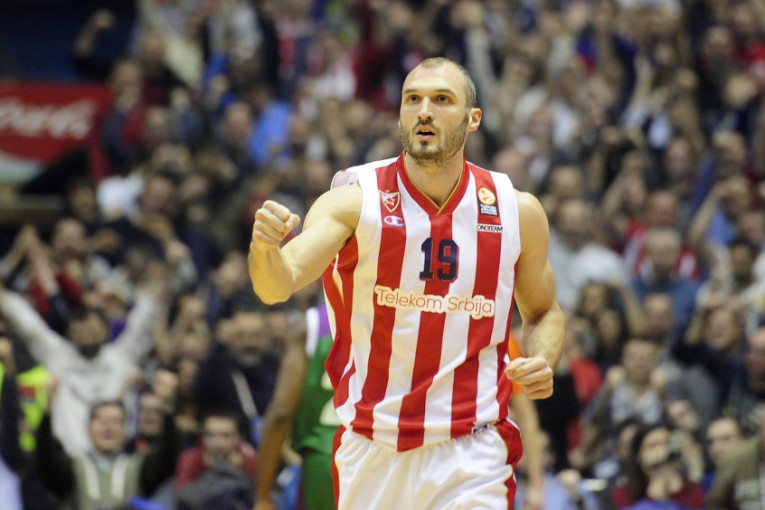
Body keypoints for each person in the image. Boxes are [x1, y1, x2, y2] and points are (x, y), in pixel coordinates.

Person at [248, 57, 566, 509]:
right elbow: (276, 285)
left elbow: (544, 311)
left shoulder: (516, 211)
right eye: (412, 99)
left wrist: (542, 358)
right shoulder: (354, 200)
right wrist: (264, 249)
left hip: (472, 451)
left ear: (473, 119)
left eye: (442, 100)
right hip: (374, 447)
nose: (424, 111)